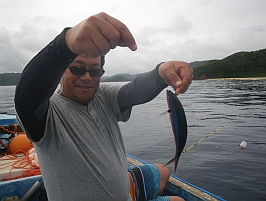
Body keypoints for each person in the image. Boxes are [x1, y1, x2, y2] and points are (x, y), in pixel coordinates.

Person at [14, 12, 193, 201]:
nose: (87, 77)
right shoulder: (46, 115)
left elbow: (133, 91)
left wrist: (160, 73)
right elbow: (26, 98)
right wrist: (63, 45)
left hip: (125, 191)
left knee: (163, 171)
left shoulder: (102, 96)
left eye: (95, 70)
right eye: (77, 68)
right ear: (61, 72)